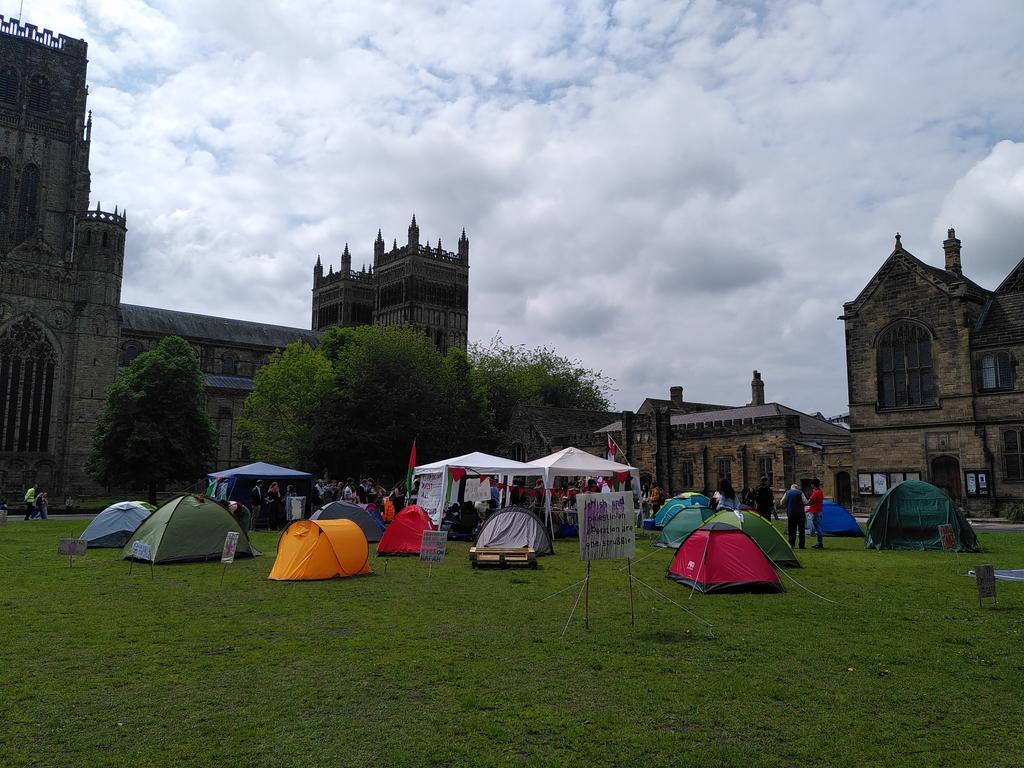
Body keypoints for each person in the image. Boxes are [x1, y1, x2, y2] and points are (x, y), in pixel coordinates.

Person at [780, 483, 809, 549]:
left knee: (791, 529)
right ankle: (801, 545)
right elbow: (805, 502)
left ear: (791, 488)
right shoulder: (800, 493)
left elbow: (782, 502)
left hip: (791, 513)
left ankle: (791, 544)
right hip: (800, 514)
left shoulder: (787, 493)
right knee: (801, 530)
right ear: (797, 488)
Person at [807, 479, 825, 548]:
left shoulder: (816, 492)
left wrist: (808, 502)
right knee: (818, 527)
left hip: (815, 511)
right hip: (818, 511)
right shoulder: (820, 491)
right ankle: (818, 542)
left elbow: (810, 501)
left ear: (813, 485)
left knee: (818, 528)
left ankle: (819, 543)